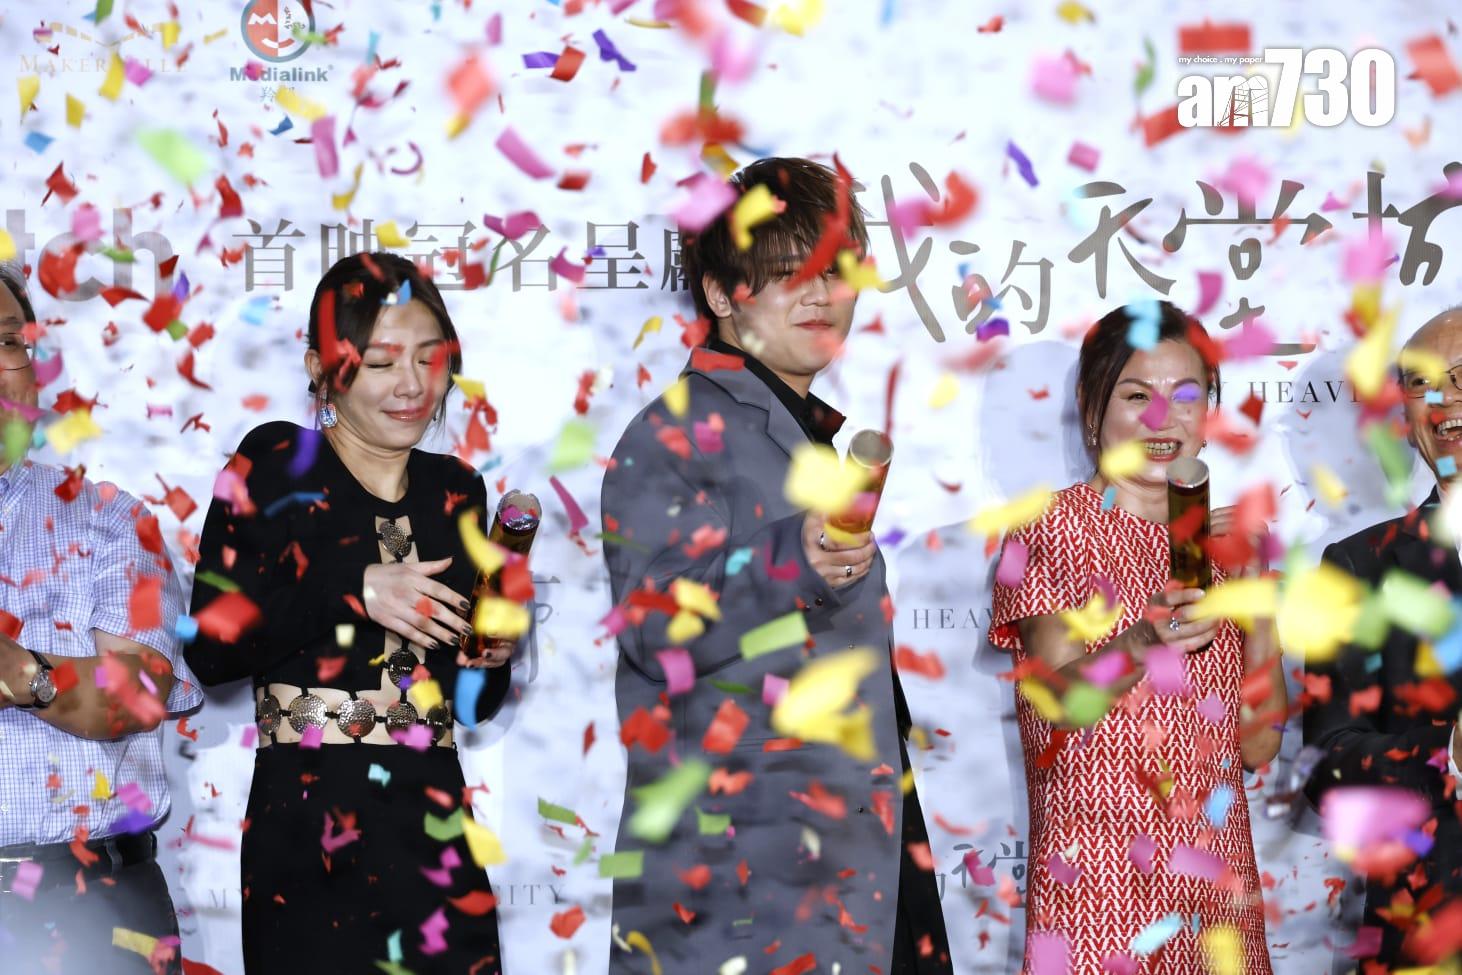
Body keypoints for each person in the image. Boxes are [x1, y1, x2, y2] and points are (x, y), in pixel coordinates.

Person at [601, 157, 952, 973]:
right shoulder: (675, 430)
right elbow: (653, 627)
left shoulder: (801, 431)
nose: (820, 294)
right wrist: (791, 559)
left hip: (855, 856)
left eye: (834, 269)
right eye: (788, 271)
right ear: (722, 294)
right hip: (748, 885)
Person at [184, 252, 513, 973]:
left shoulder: (458, 488)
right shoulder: (275, 461)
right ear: (322, 367)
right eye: (383, 361)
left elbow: (472, 707)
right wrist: (352, 589)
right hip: (308, 837)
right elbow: (209, 649)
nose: (413, 384)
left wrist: (489, 658)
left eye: (430, 359)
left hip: (435, 835)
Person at [988, 300, 1286, 973]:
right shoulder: (1048, 528)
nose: (1162, 418)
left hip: (1218, 901)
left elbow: (1259, 744)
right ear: (1091, 410)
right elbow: (1062, 704)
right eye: (1136, 395)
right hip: (1099, 898)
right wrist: (1144, 640)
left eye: (1186, 396)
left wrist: (1259, 598)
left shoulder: (1224, 546)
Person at [0, 259, 202, 973]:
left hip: (91, 907)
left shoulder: (111, 518)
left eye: (7, 342)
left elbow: (137, 693)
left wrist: (20, 671)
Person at [1304, 306, 1462, 968]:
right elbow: (1327, 764)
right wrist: (1445, 754)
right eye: (1423, 383)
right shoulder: (1357, 566)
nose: (1444, 402)